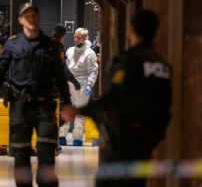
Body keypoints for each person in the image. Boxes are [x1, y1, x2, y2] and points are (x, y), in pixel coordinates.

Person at [61, 10, 172, 187]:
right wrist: (156, 140)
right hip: (147, 141)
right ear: (156, 33)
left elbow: (114, 99)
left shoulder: (130, 61)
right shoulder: (163, 65)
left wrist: (81, 110)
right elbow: (165, 107)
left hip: (123, 139)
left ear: (131, 30)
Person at [0, 3, 71, 187]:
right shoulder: (12, 44)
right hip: (20, 106)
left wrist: (68, 104)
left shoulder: (50, 46)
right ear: (20, 20)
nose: (31, 18)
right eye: (27, 16)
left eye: (34, 15)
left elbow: (60, 77)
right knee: (21, 155)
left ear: (38, 18)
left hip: (45, 107)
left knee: (47, 152)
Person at [59, 28, 99, 146]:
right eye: (75, 37)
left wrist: (89, 84)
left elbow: (93, 71)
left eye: (78, 37)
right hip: (69, 84)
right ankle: (61, 136)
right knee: (65, 109)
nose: (76, 39)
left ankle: (77, 138)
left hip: (83, 85)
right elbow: (65, 68)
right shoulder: (70, 51)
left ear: (84, 38)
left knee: (80, 113)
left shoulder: (89, 53)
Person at [52, 24, 81, 127]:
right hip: (56, 85)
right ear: (63, 36)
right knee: (63, 114)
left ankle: (50, 139)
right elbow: (63, 69)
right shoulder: (59, 48)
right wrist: (75, 81)